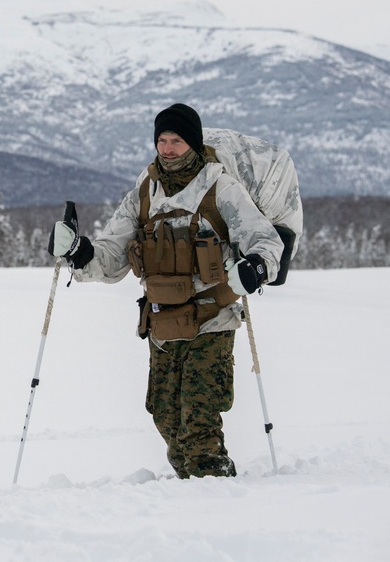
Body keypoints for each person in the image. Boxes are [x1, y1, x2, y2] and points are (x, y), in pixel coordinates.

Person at [49, 103, 284, 479]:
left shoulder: (219, 187)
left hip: (211, 320)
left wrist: (255, 268)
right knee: (167, 420)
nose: (168, 148)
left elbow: (265, 241)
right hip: (162, 324)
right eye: (162, 140)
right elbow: (112, 254)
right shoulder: (145, 191)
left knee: (199, 424)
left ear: (192, 142)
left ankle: (219, 497)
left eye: (177, 140)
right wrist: (81, 252)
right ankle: (191, 495)